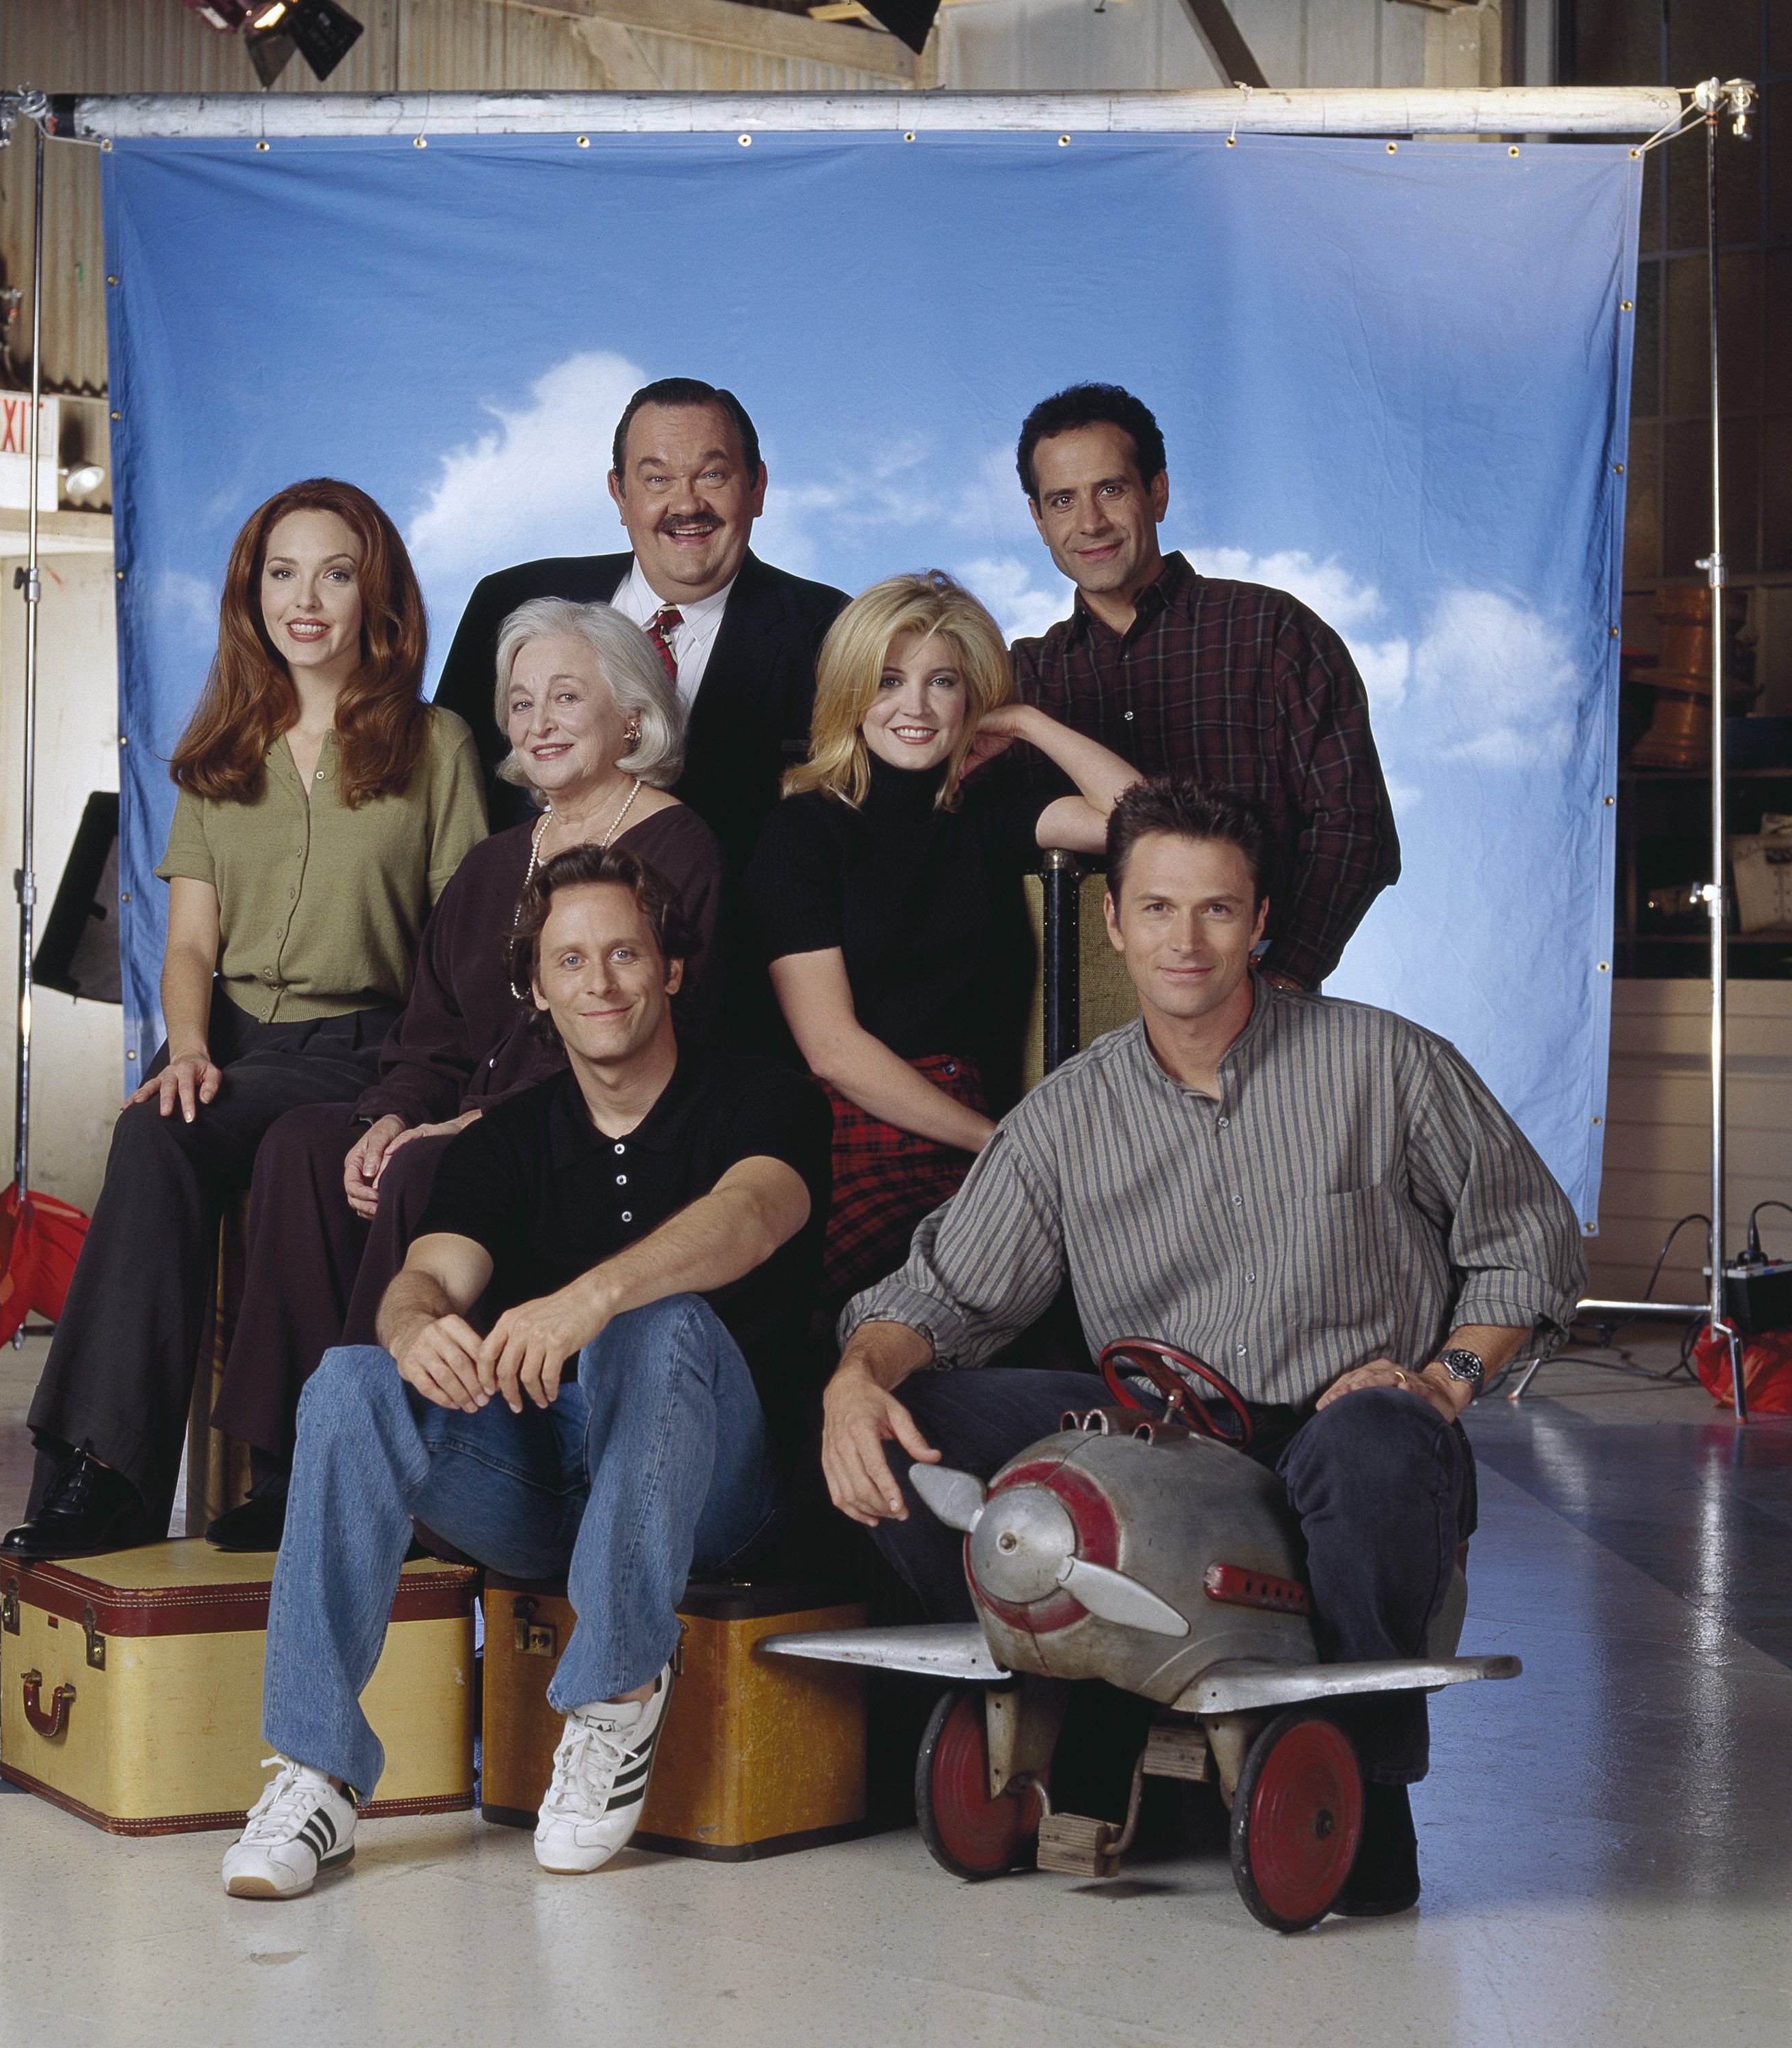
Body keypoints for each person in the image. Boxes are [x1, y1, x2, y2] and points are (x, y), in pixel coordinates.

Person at [819, 777, 1584, 1918]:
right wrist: (854, 1382)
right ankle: (1068, 1689)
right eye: (1160, 909)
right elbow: (937, 1296)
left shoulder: (1385, 1064)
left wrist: (1443, 1379)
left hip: (1347, 1435)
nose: (1187, 940)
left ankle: (1360, 1782)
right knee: (908, 1415)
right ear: (1114, 921)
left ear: (1260, 918)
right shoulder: (1066, 1115)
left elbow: (1532, 1245)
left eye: (1217, 910)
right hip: (1168, 1449)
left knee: (1382, 1435)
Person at [0, 480, 488, 1762]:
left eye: (336, 574)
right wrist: (192, 1045)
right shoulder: (220, 749)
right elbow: (191, 940)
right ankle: (94, 1488)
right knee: (156, 1127)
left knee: (281, 1148)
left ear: (377, 596)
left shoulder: (435, 749)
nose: (307, 600)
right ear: (250, 594)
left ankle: (234, 1476)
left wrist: (430, 1096)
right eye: (282, 574)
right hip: (242, 1044)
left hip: (372, 1047)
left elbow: (459, 947)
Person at [216, 844, 830, 1896]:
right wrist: (413, 1328)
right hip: (547, 1490)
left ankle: (615, 1697)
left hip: (720, 1491)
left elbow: (753, 1215)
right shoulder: (506, 1139)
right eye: (572, 962)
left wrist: (596, 1296)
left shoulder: (763, 1098)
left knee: (657, 1319)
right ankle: (318, 1774)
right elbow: (426, 1277)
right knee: (351, 1382)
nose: (601, 983)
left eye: (627, 954)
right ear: (535, 990)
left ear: (671, 968)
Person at [205, 598, 726, 1550]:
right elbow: (430, 1030)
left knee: (421, 1170)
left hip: (574, 1129)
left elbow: (644, 1031)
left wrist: (468, 1128)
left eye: (566, 696)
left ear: (633, 717)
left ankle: (390, 1468)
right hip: (462, 1113)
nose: (538, 723)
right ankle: (295, 1458)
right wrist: (390, 1111)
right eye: (521, 704)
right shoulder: (495, 862)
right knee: (305, 1147)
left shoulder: (676, 845)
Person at [748, 571, 1139, 1306]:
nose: (915, 707)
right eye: (888, 680)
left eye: (944, 682)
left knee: (1088, 1289)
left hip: (978, 1135)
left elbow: (1149, 828)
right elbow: (831, 1047)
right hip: (855, 1129)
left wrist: (1024, 722)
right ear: (848, 693)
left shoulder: (986, 820)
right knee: (925, 1295)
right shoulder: (801, 831)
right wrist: (996, 1145)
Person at [1004, 382, 1401, 992]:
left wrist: (1284, 981)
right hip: (1077, 1004)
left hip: (1258, 990)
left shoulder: (1271, 632)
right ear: (1037, 518)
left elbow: (1355, 825)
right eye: (1062, 500)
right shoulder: (1021, 678)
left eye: (1111, 489)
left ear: (1157, 492)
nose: (1090, 522)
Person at [432, 376, 848, 875]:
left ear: (757, 487)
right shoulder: (508, 602)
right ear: (619, 493)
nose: (687, 505)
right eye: (657, 480)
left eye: (712, 476)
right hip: (516, 933)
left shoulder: (831, 631)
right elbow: (442, 789)